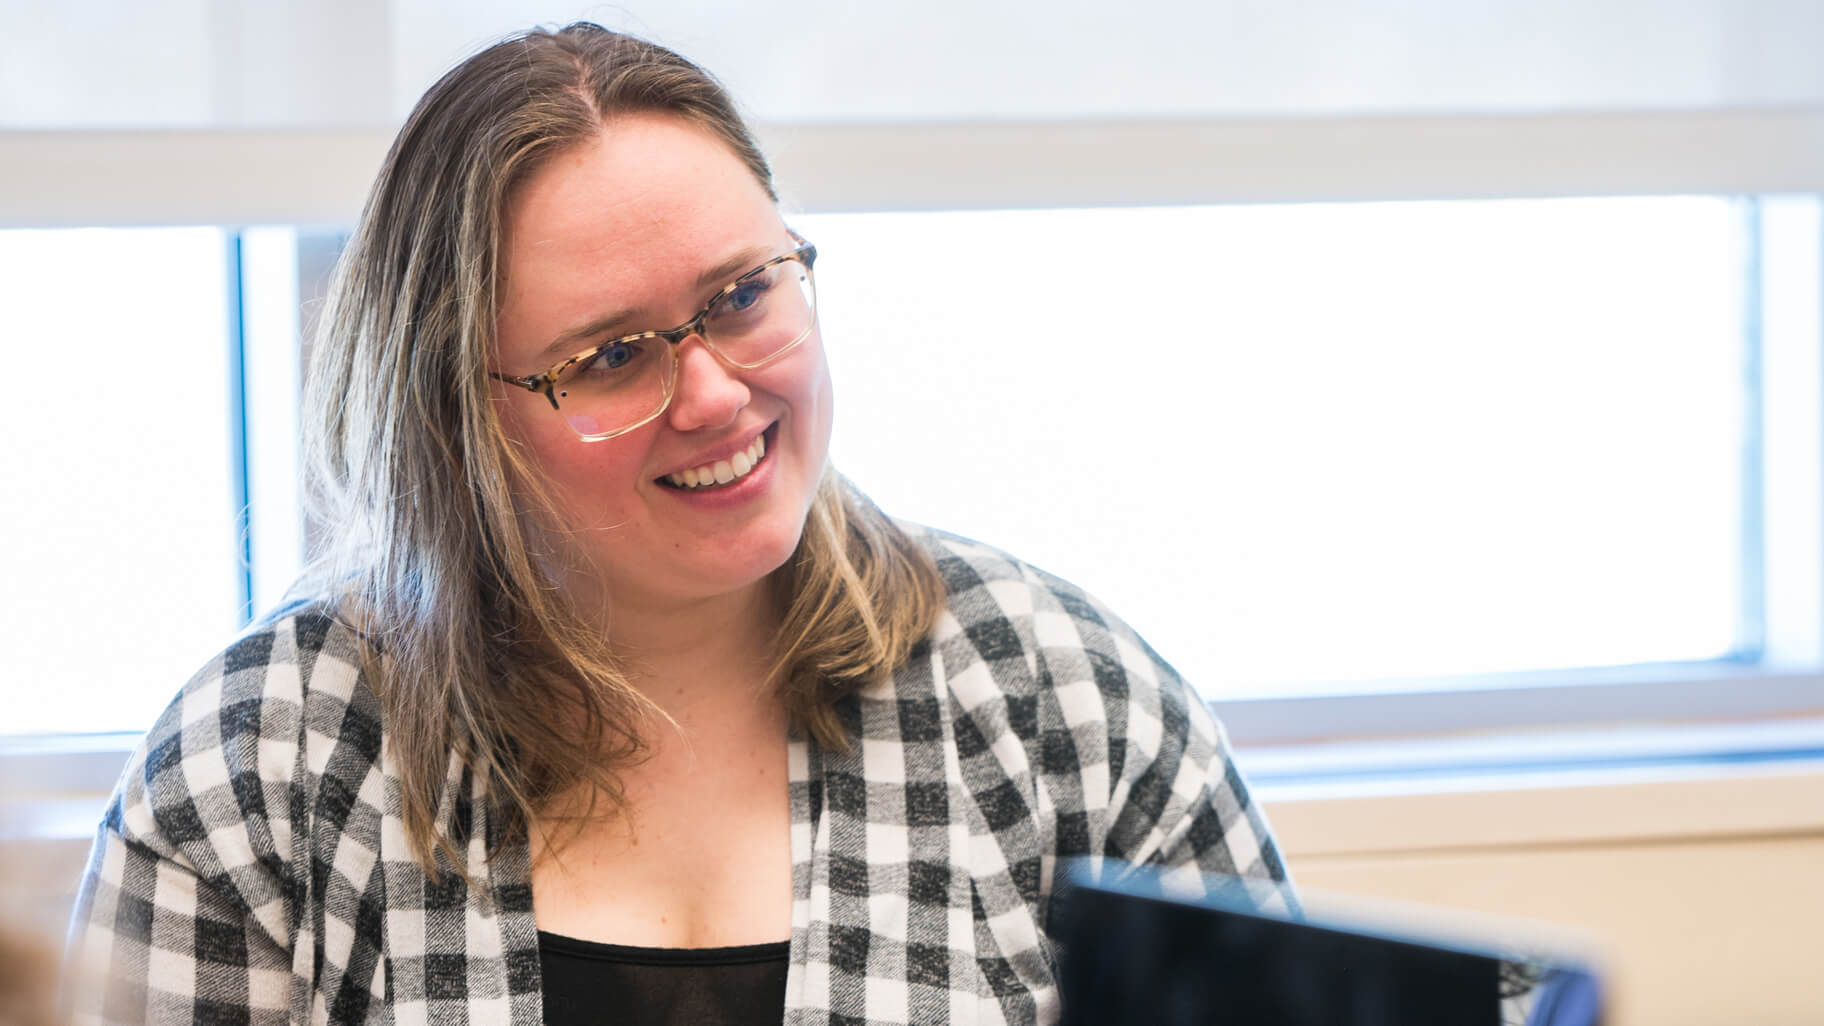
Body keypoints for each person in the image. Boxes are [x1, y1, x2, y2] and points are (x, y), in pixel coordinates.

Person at [68, 23, 1292, 1026]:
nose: (715, 395)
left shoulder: (1068, 703)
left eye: (745, 295)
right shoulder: (257, 771)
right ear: (456, 424)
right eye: (608, 357)